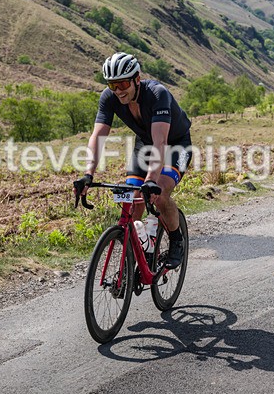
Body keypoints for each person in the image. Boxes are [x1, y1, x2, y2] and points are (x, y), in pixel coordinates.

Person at [75, 52, 192, 269]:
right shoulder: (109, 98)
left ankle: (177, 240)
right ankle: (142, 250)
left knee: (159, 191)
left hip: (176, 144)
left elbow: (161, 141)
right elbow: (98, 136)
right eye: (113, 85)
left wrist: (151, 180)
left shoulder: (158, 94)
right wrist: (88, 174)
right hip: (145, 145)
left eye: (122, 84)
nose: (118, 91)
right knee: (132, 202)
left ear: (136, 78)